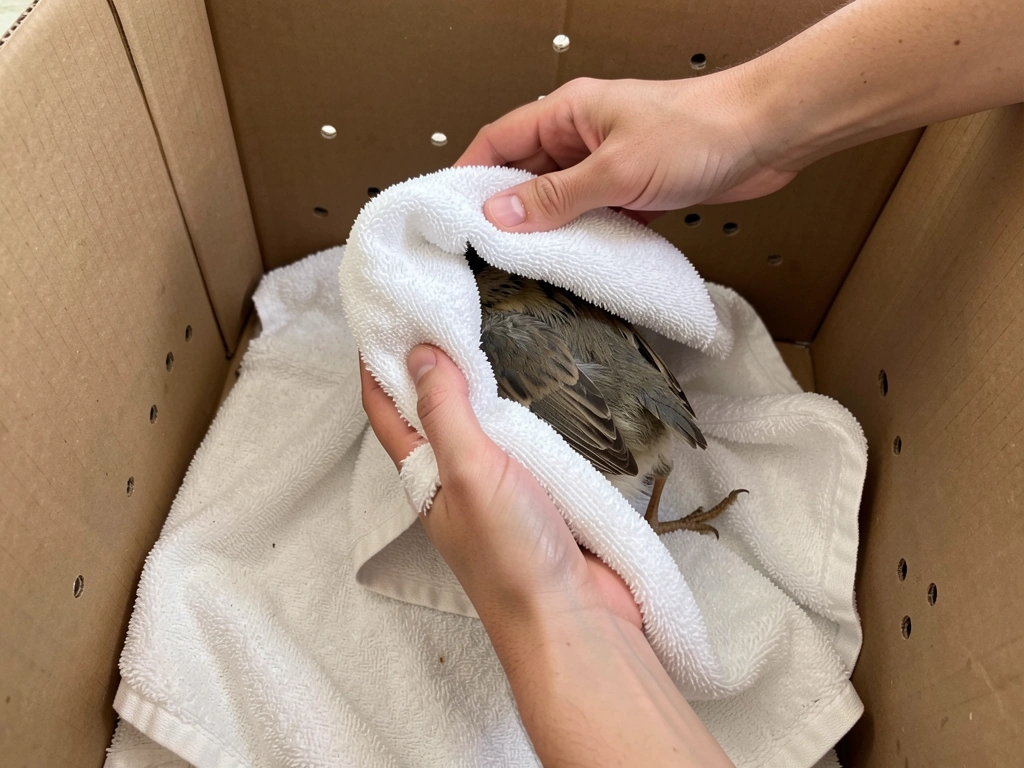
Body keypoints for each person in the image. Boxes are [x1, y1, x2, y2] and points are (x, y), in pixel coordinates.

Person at [361, 0, 1024, 763]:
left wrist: (559, 602)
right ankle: (654, 509)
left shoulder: (507, 328)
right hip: (649, 407)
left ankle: (649, 512)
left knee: (613, 434)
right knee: (640, 445)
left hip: (618, 423)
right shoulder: (533, 310)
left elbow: (585, 408)